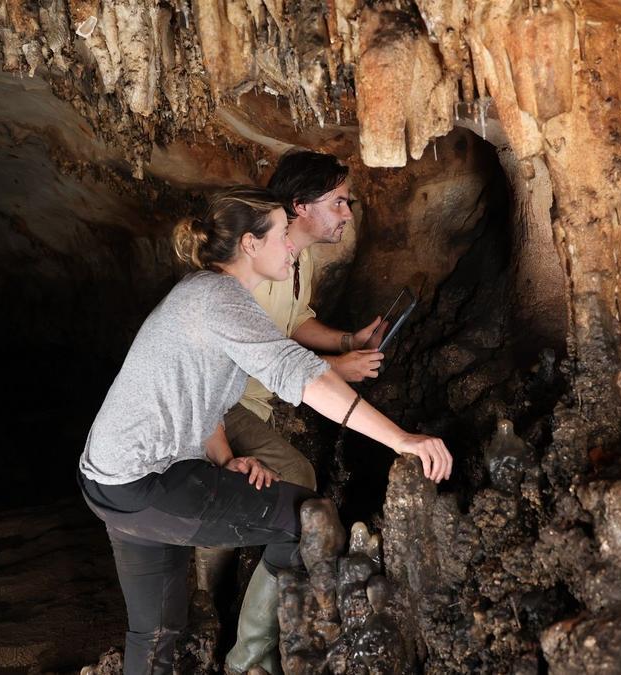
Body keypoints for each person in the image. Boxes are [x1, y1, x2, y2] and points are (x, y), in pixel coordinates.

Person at [77, 186, 453, 675]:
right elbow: (305, 377)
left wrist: (224, 460)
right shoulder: (219, 299)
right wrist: (401, 439)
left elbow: (203, 400)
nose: (292, 244)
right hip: (145, 482)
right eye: (282, 234)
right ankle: (247, 660)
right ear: (250, 245)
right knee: (307, 518)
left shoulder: (202, 293)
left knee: (154, 633)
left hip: (108, 479)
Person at [197, 151, 383, 673]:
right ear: (299, 207)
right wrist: (334, 368)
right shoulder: (256, 266)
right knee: (300, 483)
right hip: (222, 403)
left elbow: (295, 322)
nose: (347, 213)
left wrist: (347, 340)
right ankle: (241, 645)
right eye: (339, 202)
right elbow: (265, 354)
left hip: (248, 403)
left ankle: (226, 610)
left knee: (287, 486)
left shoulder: (294, 264)